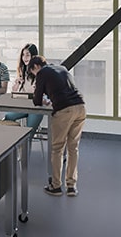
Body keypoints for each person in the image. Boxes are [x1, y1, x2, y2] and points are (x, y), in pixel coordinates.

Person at [30, 55, 86, 196]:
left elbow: (36, 100)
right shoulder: (62, 68)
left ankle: (55, 186)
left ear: (36, 67)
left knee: (57, 148)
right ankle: (71, 186)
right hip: (80, 107)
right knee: (73, 148)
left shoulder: (42, 73)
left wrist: (43, 97)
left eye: (33, 73)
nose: (35, 75)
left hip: (64, 110)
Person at [3, 43, 44, 130]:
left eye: (27, 55)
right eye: (23, 55)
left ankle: (25, 142)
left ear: (33, 56)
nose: (24, 57)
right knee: (7, 117)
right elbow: (14, 92)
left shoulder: (39, 71)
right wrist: (17, 84)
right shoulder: (22, 71)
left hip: (36, 107)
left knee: (29, 131)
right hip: (23, 106)